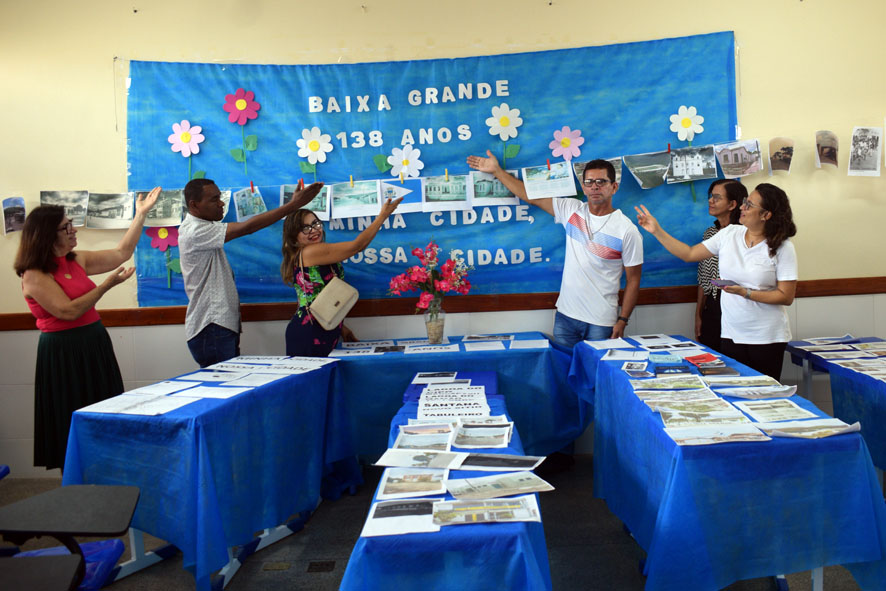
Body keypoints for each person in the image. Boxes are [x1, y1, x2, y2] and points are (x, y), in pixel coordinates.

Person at [14, 188, 160, 470]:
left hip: (93, 343)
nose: (73, 230)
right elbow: (68, 311)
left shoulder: (75, 259)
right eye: (66, 226)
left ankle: (107, 473)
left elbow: (121, 252)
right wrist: (107, 285)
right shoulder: (34, 274)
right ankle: (76, 486)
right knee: (71, 417)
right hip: (64, 352)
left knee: (104, 409)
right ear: (47, 234)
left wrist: (140, 214)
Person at [467, 151, 642, 346]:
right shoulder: (572, 210)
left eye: (601, 182)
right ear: (583, 187)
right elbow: (529, 196)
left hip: (601, 322)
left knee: (597, 375)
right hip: (565, 317)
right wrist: (497, 171)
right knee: (563, 374)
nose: (594, 187)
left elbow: (633, 280)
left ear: (614, 187)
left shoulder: (627, 230)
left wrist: (623, 320)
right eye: (589, 182)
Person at [635, 183, 797, 380]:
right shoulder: (729, 234)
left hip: (766, 336)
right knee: (731, 391)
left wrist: (745, 292)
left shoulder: (783, 247)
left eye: (749, 205)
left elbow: (786, 296)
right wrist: (656, 230)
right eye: (745, 202)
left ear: (766, 215)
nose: (742, 208)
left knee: (765, 394)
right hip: (731, 333)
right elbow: (689, 253)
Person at [180, 178, 323, 367]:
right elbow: (248, 227)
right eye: (214, 199)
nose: (221, 203)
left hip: (217, 327)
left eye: (220, 197)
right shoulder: (195, 231)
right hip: (211, 327)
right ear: (194, 205)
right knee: (224, 389)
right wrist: (294, 205)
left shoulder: (204, 227)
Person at [281, 196, 402, 356]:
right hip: (309, 332)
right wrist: (383, 216)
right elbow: (357, 246)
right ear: (294, 236)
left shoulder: (311, 253)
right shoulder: (309, 252)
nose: (314, 230)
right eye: (305, 228)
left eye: (315, 224)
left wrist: (341, 328)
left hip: (326, 326)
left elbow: (318, 296)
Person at [695, 179, 745, 353]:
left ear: (732, 204)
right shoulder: (710, 233)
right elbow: (704, 279)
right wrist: (698, 315)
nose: (710, 201)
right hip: (713, 307)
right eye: (710, 197)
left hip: (738, 305)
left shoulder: (746, 234)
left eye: (716, 198)